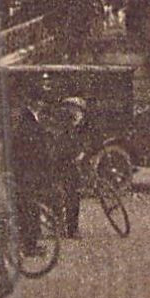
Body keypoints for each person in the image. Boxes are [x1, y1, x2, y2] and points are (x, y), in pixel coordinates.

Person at [10, 84, 53, 252]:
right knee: (29, 207)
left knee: (27, 207)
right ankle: (29, 244)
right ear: (35, 102)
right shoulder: (29, 122)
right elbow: (33, 149)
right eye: (41, 101)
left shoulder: (27, 120)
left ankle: (28, 242)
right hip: (29, 171)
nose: (42, 104)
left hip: (26, 170)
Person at [52, 97, 92, 238]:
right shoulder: (64, 125)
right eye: (71, 108)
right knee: (60, 195)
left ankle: (72, 228)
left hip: (75, 164)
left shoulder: (82, 126)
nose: (75, 112)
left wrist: (82, 154)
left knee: (74, 197)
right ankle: (60, 226)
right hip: (64, 163)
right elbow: (60, 145)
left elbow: (87, 143)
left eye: (77, 109)